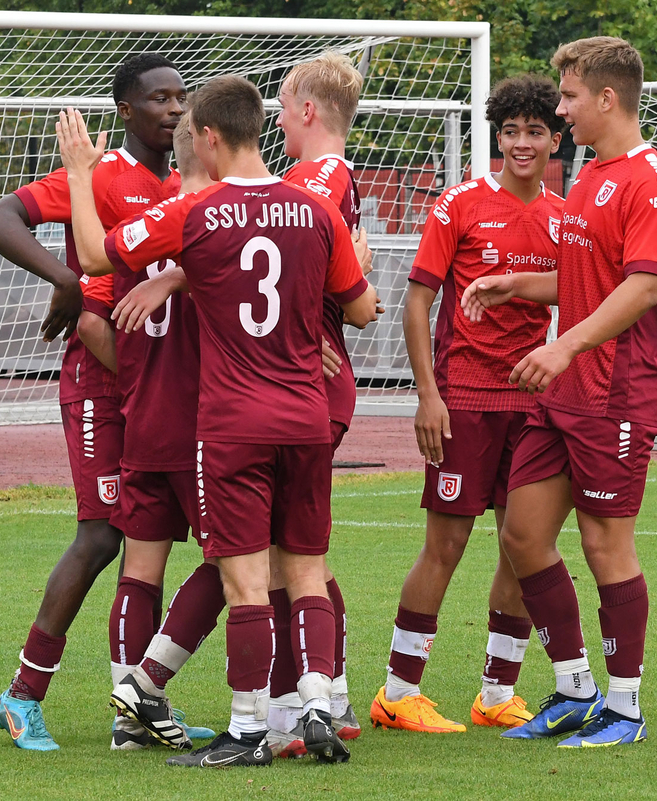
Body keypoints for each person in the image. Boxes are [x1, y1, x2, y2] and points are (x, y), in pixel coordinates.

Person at [67, 75, 377, 768]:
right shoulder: (316, 209)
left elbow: (95, 255)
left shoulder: (199, 213)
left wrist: (82, 177)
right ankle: (320, 706)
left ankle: (246, 728)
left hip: (234, 422)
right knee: (306, 571)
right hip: (305, 417)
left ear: (206, 137)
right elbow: (359, 309)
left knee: (243, 582)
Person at [460, 37, 657, 749]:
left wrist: (566, 341)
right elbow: (588, 276)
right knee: (523, 533)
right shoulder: (592, 173)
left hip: (616, 390)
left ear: (606, 97)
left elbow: (642, 284)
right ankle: (574, 688)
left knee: (606, 545)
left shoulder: (649, 178)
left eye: (568, 98)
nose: (560, 110)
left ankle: (625, 708)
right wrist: (517, 284)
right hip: (567, 387)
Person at [0, 52, 187, 752]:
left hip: (158, 385)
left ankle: (135, 707)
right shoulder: (95, 176)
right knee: (101, 534)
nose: (174, 110)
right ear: (125, 110)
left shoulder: (192, 182)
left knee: (148, 542)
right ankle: (21, 694)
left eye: (181, 98)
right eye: (159, 99)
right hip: (105, 385)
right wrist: (66, 279)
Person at [369, 74, 565, 735]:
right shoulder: (459, 205)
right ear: (497, 137)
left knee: (523, 546)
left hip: (532, 407)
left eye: (534, 130)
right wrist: (429, 394)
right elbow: (419, 300)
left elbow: (595, 294)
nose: (521, 142)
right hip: (465, 403)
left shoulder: (566, 217)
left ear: (555, 138)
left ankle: (496, 693)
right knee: (445, 546)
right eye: (510, 131)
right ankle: (398, 691)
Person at [59, 112, 221, 751]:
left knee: (142, 567)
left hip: (143, 420)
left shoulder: (136, 230)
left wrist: (79, 177)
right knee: (240, 559)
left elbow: (93, 306)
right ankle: (155, 689)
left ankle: (129, 723)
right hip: (203, 423)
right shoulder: (218, 220)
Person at [267, 50, 368, 754]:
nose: (276, 117)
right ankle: (329, 691)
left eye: (281, 104)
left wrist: (306, 331)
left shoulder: (318, 176)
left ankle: (289, 705)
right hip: (308, 378)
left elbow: (285, 262)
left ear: (307, 109)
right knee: (304, 554)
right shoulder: (312, 177)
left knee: (283, 557)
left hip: (305, 384)